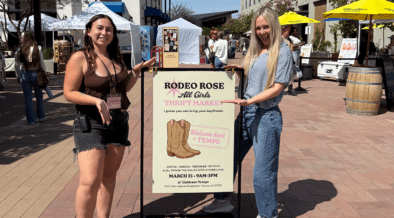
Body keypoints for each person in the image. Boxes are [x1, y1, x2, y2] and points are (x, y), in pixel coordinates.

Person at [202, 6, 293, 218]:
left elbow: (277, 87)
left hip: (265, 116)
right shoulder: (255, 49)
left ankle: (268, 214)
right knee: (227, 158)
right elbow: (250, 77)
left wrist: (250, 100)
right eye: (258, 28)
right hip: (246, 114)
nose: (262, 32)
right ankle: (222, 200)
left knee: (263, 172)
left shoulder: (282, 50)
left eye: (266, 27)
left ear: (275, 26)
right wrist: (234, 69)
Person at [63, 14, 156, 217]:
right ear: (89, 31)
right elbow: (69, 93)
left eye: (109, 29)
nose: (104, 32)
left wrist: (136, 72)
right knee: (89, 181)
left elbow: (123, 89)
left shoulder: (115, 57)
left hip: (118, 122)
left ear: (113, 34)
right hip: (90, 123)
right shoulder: (80, 57)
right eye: (99, 28)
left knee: (109, 176)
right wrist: (96, 101)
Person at [14, 32, 46, 125]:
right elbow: (42, 62)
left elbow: (16, 64)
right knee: (39, 95)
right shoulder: (37, 48)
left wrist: (18, 76)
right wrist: (44, 74)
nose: (21, 39)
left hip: (24, 73)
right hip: (35, 72)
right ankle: (41, 116)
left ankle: (31, 120)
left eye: (23, 37)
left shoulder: (20, 49)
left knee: (28, 97)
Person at [281, 25, 297, 96]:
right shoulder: (280, 39)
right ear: (283, 31)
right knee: (282, 74)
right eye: (287, 31)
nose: (288, 33)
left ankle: (290, 89)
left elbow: (291, 49)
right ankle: (280, 89)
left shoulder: (289, 40)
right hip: (282, 59)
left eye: (289, 32)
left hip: (289, 58)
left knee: (290, 74)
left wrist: (291, 45)